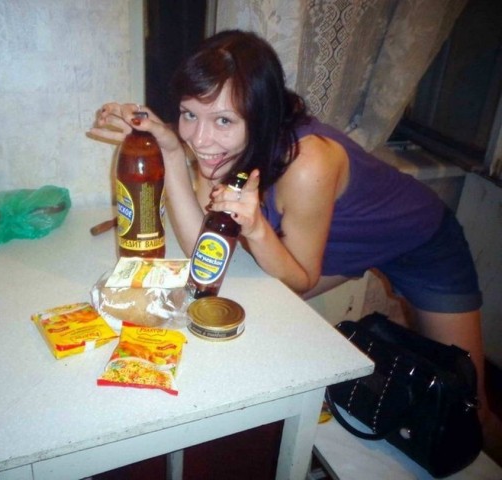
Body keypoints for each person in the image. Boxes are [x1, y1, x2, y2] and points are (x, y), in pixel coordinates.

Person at [88, 29, 501, 463]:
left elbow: (300, 280)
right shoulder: (223, 149)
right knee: (249, 302)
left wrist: (258, 231)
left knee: (468, 404)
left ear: (261, 114)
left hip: (422, 242)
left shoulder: (308, 163)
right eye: (189, 114)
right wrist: (171, 150)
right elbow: (203, 251)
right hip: (335, 235)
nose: (200, 139)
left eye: (223, 120)